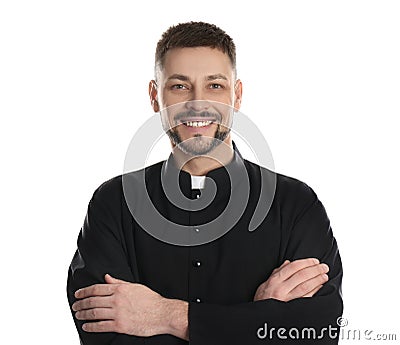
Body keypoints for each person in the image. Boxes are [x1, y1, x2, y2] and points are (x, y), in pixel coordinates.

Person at [67, 22, 343, 344]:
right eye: (180, 87)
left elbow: (317, 334)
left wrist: (165, 316)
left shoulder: (295, 205)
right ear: (156, 97)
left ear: (236, 96)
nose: (198, 103)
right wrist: (257, 319)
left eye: (214, 86)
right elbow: (105, 337)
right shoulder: (113, 204)